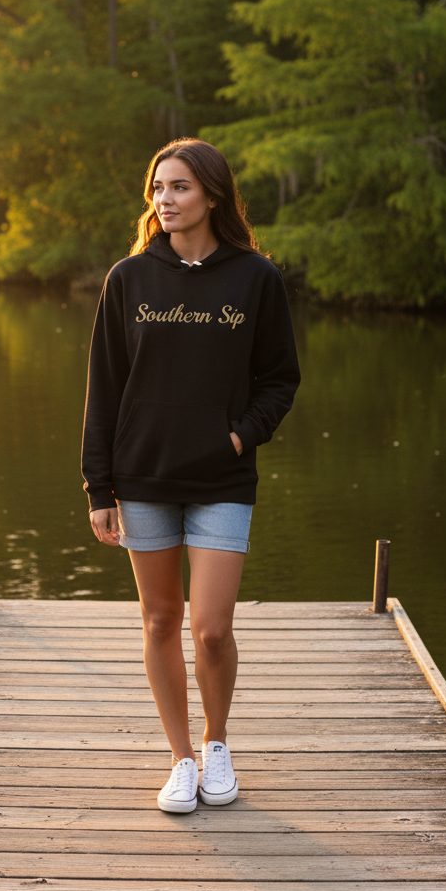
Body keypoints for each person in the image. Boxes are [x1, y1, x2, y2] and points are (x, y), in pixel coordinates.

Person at [82, 138, 300, 813]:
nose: (165, 200)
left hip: (221, 480)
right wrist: (98, 487)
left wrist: (240, 435)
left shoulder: (255, 278)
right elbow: (104, 388)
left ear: (212, 194)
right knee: (159, 620)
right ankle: (179, 758)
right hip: (142, 477)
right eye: (158, 188)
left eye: (179, 187)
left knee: (209, 627)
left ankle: (216, 743)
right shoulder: (129, 279)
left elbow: (280, 379)